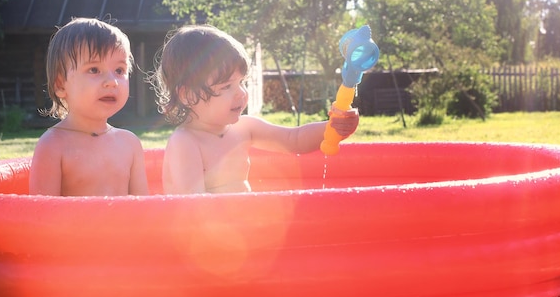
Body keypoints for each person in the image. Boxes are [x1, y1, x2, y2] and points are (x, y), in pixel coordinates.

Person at [150, 25, 359, 194]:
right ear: (188, 95)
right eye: (226, 86)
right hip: (205, 241)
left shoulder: (245, 127)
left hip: (242, 232)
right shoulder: (186, 143)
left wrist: (333, 128)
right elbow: (191, 208)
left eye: (242, 82)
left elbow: (294, 140)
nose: (241, 93)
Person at [29, 17, 149, 196]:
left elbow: (145, 210)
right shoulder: (53, 145)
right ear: (61, 85)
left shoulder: (130, 144)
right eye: (94, 70)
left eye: (119, 70)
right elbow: (41, 215)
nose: (112, 82)